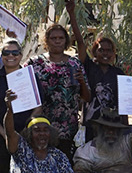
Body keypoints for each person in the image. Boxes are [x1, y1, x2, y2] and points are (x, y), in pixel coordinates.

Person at [29, 22, 89, 158]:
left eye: (61, 38)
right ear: (46, 41)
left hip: (68, 129)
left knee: (64, 165)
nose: (57, 41)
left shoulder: (75, 64)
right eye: (53, 38)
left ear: (66, 41)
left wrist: (82, 82)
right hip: (40, 127)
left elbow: (87, 98)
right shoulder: (35, 63)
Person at [0, 38, 35, 173]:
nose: (11, 56)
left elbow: (38, 107)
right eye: (6, 53)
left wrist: (26, 131)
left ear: (21, 55)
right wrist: (5, 134)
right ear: (1, 56)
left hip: (27, 136)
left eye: (15, 53)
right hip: (0, 137)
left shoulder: (30, 76)